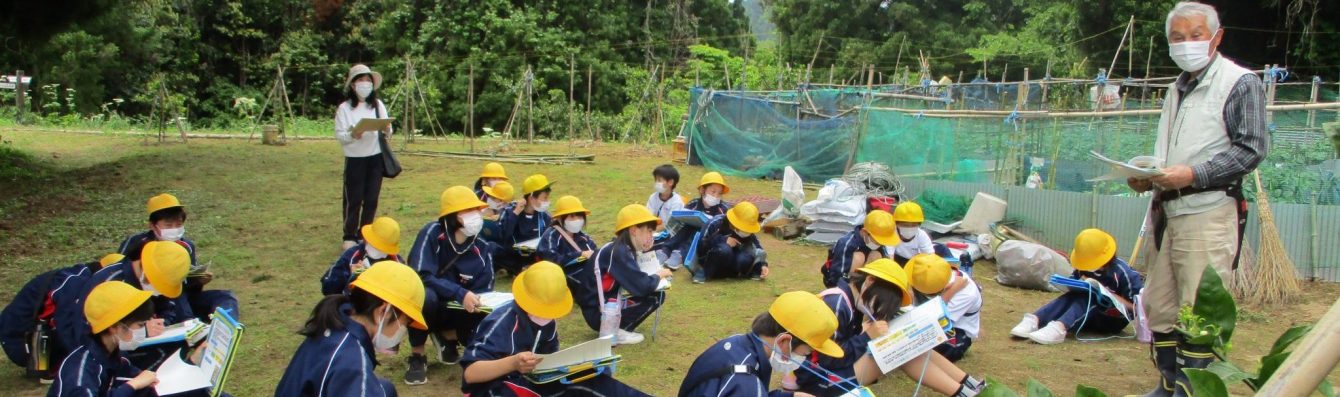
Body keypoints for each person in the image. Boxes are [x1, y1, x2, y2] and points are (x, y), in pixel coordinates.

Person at [1128, 3, 1267, 396]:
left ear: (1217, 37)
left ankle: (1195, 390)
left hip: (1208, 210)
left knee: (1199, 310)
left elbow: (1251, 149)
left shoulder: (1240, 82)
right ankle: (1168, 384)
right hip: (1168, 210)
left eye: (1196, 35)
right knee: (1161, 306)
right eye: (1177, 38)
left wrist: (1191, 174)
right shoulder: (1177, 87)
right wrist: (1148, 178)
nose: (1186, 44)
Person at [460, 261, 652, 396]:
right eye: (542, 308)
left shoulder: (547, 322)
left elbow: (550, 362)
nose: (547, 315)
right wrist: (513, 363)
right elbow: (471, 373)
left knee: (592, 381)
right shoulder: (502, 320)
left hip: (533, 383)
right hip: (496, 388)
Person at [275, 261, 427, 397]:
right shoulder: (352, 364)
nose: (404, 331)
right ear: (383, 312)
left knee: (385, 389)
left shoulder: (335, 324)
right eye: (406, 322)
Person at [846, 259, 986, 397]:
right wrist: (865, 336)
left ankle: (969, 387)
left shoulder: (849, 299)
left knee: (908, 345)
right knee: (901, 348)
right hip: (834, 379)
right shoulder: (839, 304)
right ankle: (965, 392)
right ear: (869, 281)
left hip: (957, 336)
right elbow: (832, 359)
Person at [404, 186, 500, 385]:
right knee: (425, 296)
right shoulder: (432, 233)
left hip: (459, 309)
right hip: (434, 301)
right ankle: (417, 356)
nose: (476, 216)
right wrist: (458, 292)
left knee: (483, 309)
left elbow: (485, 290)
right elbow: (420, 275)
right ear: (451, 216)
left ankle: (449, 337)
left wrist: (470, 297)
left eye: (476, 210)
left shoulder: (481, 248)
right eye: (467, 211)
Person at [55, 242, 192, 370]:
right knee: (162, 358)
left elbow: (167, 307)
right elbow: (89, 335)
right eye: (158, 286)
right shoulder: (108, 283)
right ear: (146, 272)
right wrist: (141, 331)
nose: (159, 292)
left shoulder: (155, 279)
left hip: (138, 340)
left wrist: (162, 323)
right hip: (108, 353)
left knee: (176, 349)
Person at [678, 291, 843, 397]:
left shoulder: (737, 343)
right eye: (806, 353)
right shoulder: (746, 383)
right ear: (785, 341)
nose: (804, 359)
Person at [118, 193, 239, 323]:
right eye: (168, 226)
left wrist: (198, 282)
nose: (174, 230)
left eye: (178, 224)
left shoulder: (187, 246)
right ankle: (190, 328)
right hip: (150, 301)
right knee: (175, 290)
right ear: (153, 226)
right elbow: (121, 272)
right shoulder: (136, 243)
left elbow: (190, 289)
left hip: (183, 299)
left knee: (225, 297)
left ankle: (226, 329)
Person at [1, 253, 120, 383]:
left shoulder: (79, 275)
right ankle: (48, 369)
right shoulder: (73, 283)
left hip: (22, 336)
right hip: (18, 342)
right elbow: (66, 324)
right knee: (79, 326)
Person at [1012, 229, 1142, 345]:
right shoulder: (1083, 267)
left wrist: (1108, 294)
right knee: (1073, 296)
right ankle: (1035, 319)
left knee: (1089, 298)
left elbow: (1137, 308)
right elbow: (1073, 284)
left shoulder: (1124, 274)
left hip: (1111, 320)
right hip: (1086, 316)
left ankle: (1060, 327)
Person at [578, 205, 673, 345]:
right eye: (648, 231)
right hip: (599, 313)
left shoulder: (621, 248)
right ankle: (616, 331)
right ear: (634, 230)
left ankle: (617, 328)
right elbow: (642, 286)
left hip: (604, 304)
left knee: (655, 293)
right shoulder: (618, 252)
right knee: (656, 296)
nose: (650, 236)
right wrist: (659, 274)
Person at [47, 281, 158, 396]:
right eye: (140, 325)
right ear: (115, 327)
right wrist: (133, 385)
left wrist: (142, 377)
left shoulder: (114, 355)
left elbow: (128, 373)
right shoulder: (80, 370)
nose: (143, 330)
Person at [335, 63, 393, 251]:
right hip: (355, 160)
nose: (365, 84)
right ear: (353, 85)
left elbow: (388, 130)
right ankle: (349, 235)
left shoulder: (377, 105)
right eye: (361, 80)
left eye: (368, 80)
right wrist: (353, 134)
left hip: (375, 158)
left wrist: (386, 129)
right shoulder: (344, 109)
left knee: (371, 198)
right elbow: (341, 136)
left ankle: (364, 233)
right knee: (353, 199)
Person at [906, 254, 982, 362]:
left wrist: (950, 292)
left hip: (955, 329)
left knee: (924, 351)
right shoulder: (926, 273)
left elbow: (934, 320)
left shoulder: (966, 294)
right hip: (928, 314)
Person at [659, 172, 733, 268]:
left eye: (719, 193)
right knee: (688, 227)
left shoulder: (723, 209)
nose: (715, 196)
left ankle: (680, 254)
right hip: (685, 234)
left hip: (707, 242)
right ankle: (665, 250)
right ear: (702, 190)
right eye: (713, 192)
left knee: (698, 230)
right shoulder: (693, 204)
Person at [321, 216, 403, 295]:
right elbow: (327, 289)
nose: (376, 249)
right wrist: (350, 276)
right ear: (366, 239)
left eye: (381, 248)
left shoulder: (397, 264)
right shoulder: (351, 256)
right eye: (373, 244)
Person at [692, 201, 769, 284]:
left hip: (733, 266)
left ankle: (751, 272)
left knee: (745, 257)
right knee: (724, 249)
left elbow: (757, 247)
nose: (746, 232)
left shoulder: (749, 232)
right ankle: (704, 273)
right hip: (713, 260)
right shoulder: (716, 223)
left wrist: (762, 265)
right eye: (743, 228)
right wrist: (724, 240)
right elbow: (702, 245)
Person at [820, 209, 898, 289]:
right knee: (859, 257)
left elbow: (886, 263)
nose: (880, 244)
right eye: (878, 241)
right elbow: (838, 275)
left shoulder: (876, 243)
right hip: (838, 280)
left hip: (862, 279)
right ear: (864, 232)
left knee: (876, 255)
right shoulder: (846, 244)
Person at [495, 174, 554, 276]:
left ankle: (527, 268)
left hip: (534, 255)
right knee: (494, 248)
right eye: (545, 198)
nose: (547, 201)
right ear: (531, 198)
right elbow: (503, 236)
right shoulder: (510, 210)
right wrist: (516, 213)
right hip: (513, 254)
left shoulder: (544, 215)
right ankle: (518, 268)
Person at [536, 196, 597, 269]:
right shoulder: (551, 236)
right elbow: (550, 259)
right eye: (572, 217)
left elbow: (596, 254)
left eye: (580, 216)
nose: (577, 220)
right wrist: (580, 255)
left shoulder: (584, 238)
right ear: (559, 219)